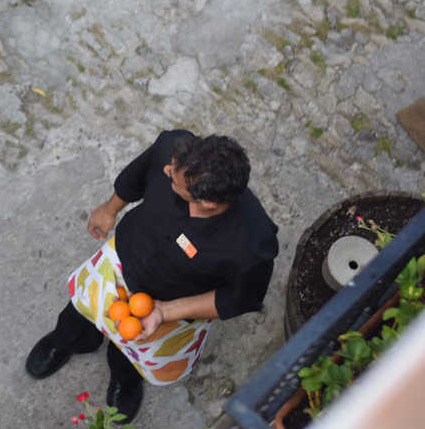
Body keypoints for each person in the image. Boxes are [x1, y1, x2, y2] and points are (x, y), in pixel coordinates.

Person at [25, 130, 279, 422]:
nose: (166, 171)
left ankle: (125, 376)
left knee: (136, 342)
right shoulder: (173, 152)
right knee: (81, 310)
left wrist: (166, 311)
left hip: (173, 301)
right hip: (125, 258)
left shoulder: (251, 243)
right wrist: (109, 210)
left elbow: (239, 298)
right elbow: (136, 177)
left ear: (207, 202)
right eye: (172, 167)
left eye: (174, 179)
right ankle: (67, 339)